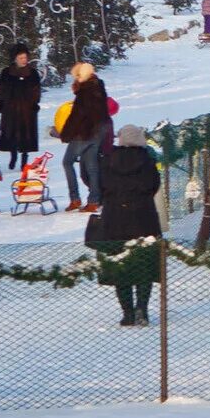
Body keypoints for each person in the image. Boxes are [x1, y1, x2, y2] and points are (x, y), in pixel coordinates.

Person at [93, 124, 162, 325]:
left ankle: (127, 313)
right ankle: (142, 309)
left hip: (114, 220)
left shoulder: (108, 160)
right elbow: (153, 186)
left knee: (120, 267)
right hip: (143, 219)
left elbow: (98, 184)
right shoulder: (147, 160)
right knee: (144, 266)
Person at [58, 63, 114, 212]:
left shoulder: (85, 92)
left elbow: (77, 116)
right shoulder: (98, 87)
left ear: (80, 76)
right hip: (98, 133)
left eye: (76, 76)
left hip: (83, 133)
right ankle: (94, 200)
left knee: (67, 162)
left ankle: (75, 198)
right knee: (92, 167)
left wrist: (65, 134)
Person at [0, 45, 42, 171]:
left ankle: (24, 160)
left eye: (25, 57)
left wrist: (34, 103)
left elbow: (36, 90)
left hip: (27, 110)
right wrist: (1, 103)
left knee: (26, 136)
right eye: (21, 57)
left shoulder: (33, 73)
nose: (24, 60)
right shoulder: (6, 72)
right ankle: (13, 155)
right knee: (11, 134)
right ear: (15, 59)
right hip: (11, 109)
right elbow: (1, 89)